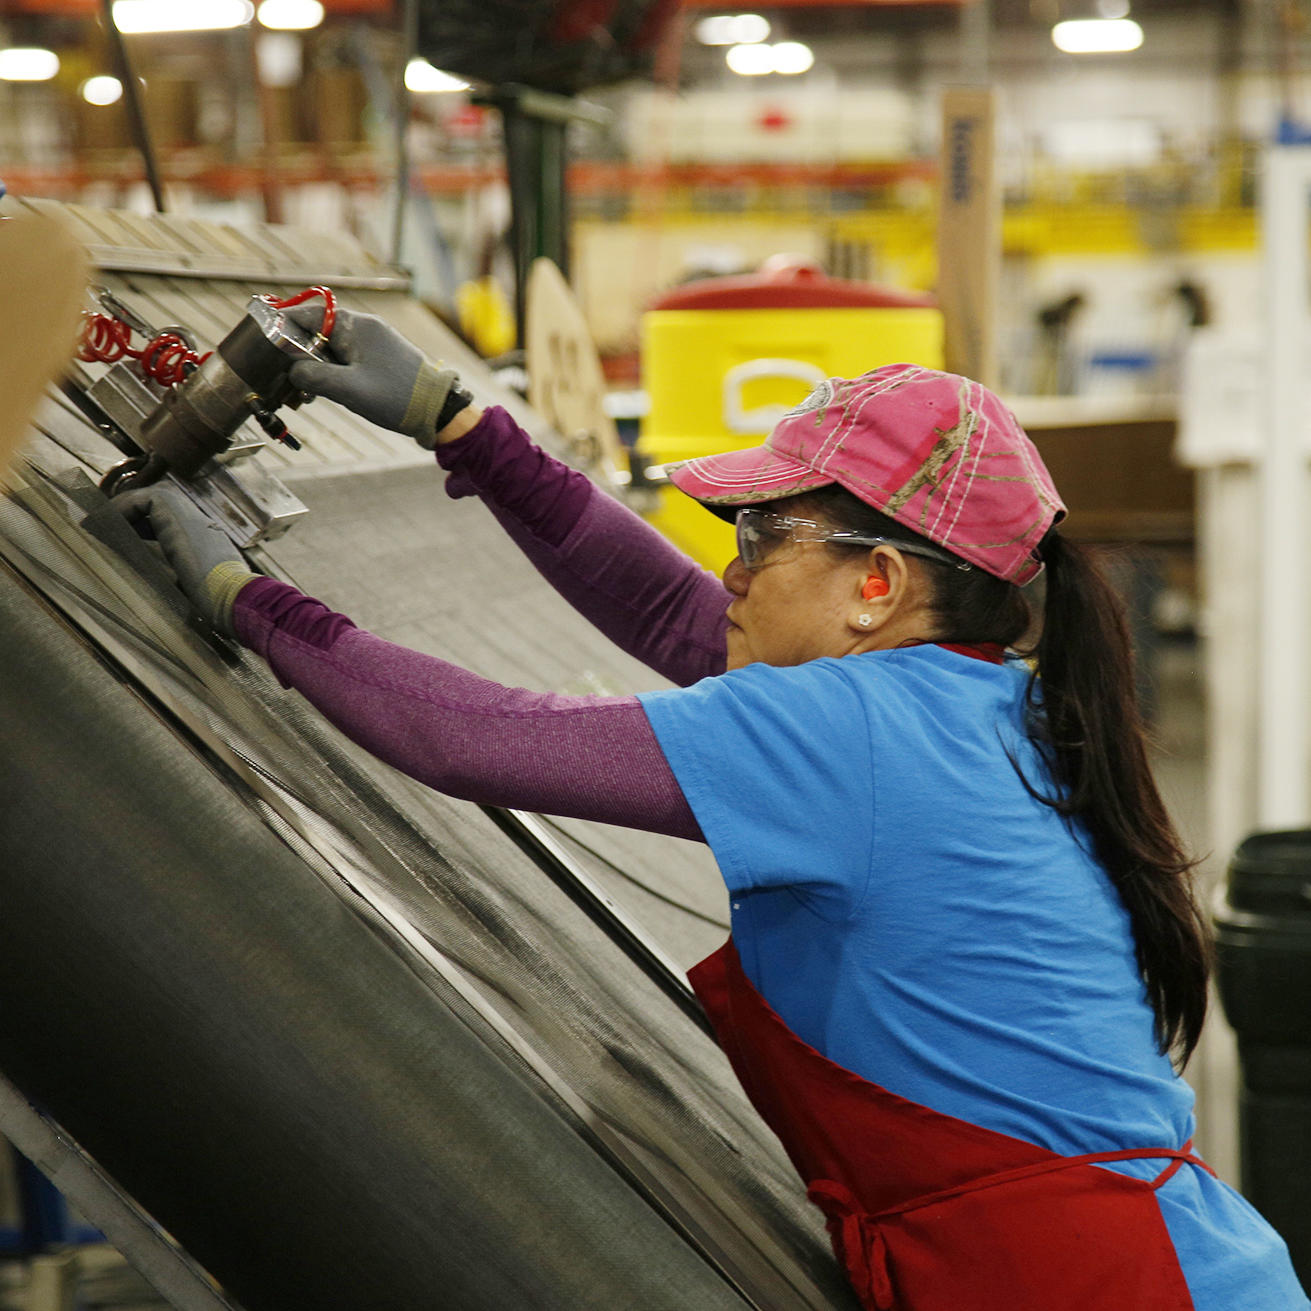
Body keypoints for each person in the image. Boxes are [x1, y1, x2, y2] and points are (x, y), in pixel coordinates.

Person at [116, 310, 1308, 1311]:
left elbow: (467, 736)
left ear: (876, 585)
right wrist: (462, 425)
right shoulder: (978, 706)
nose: (733, 568)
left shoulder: (851, 734)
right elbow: (683, 618)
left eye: (763, 535)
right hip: (1139, 1266)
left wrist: (250, 600)